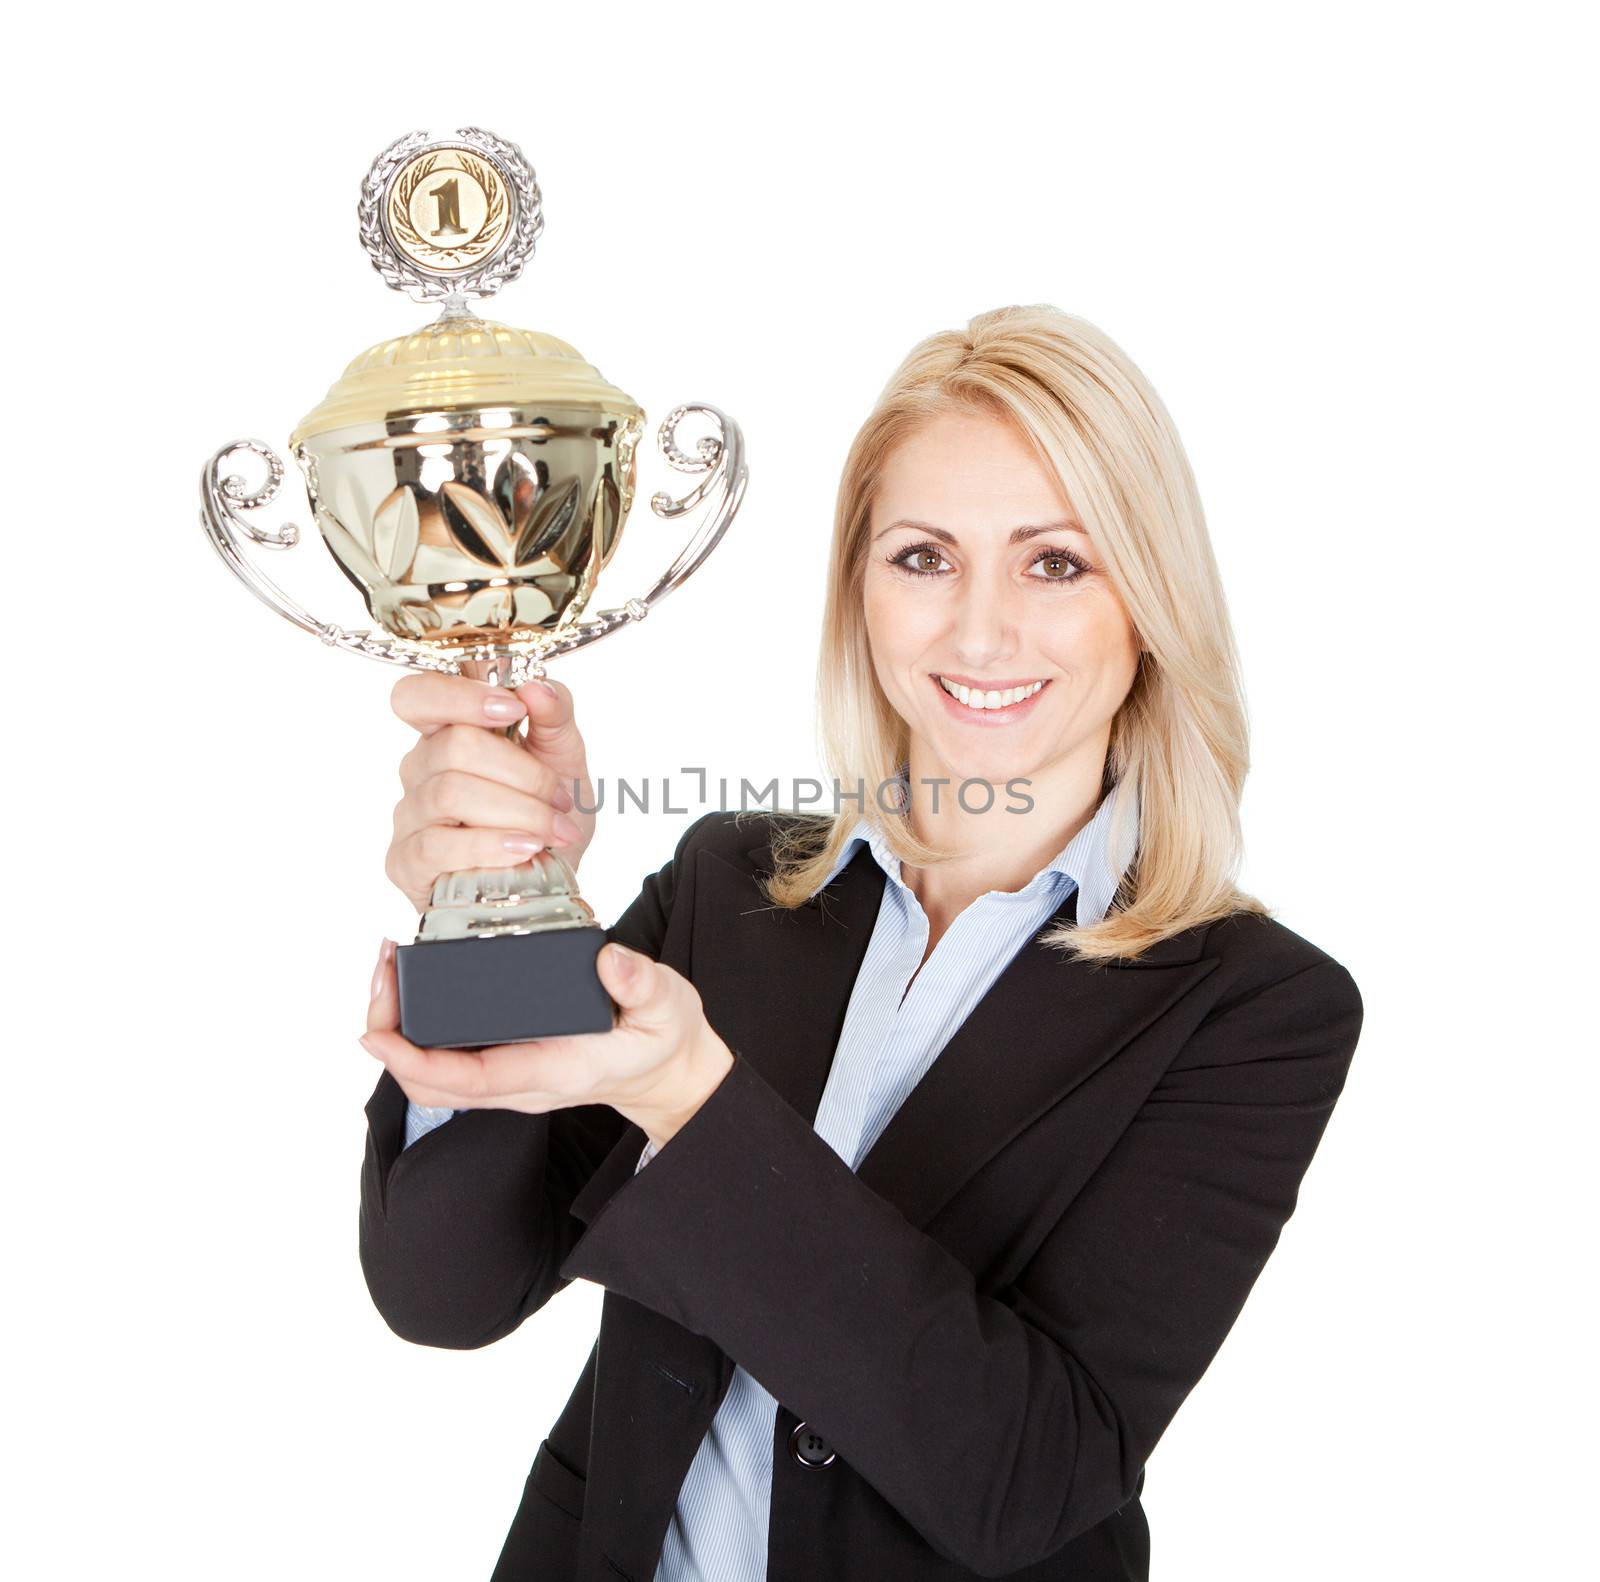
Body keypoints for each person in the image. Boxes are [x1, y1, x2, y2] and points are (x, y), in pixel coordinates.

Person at [357, 304, 1364, 1582]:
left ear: (1149, 597)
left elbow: (1022, 1478)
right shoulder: (729, 880)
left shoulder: (1254, 1011)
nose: (980, 631)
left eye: (1054, 561)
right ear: (860, 591)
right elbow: (446, 1292)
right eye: (923, 557)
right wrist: (499, 895)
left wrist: (691, 1101)